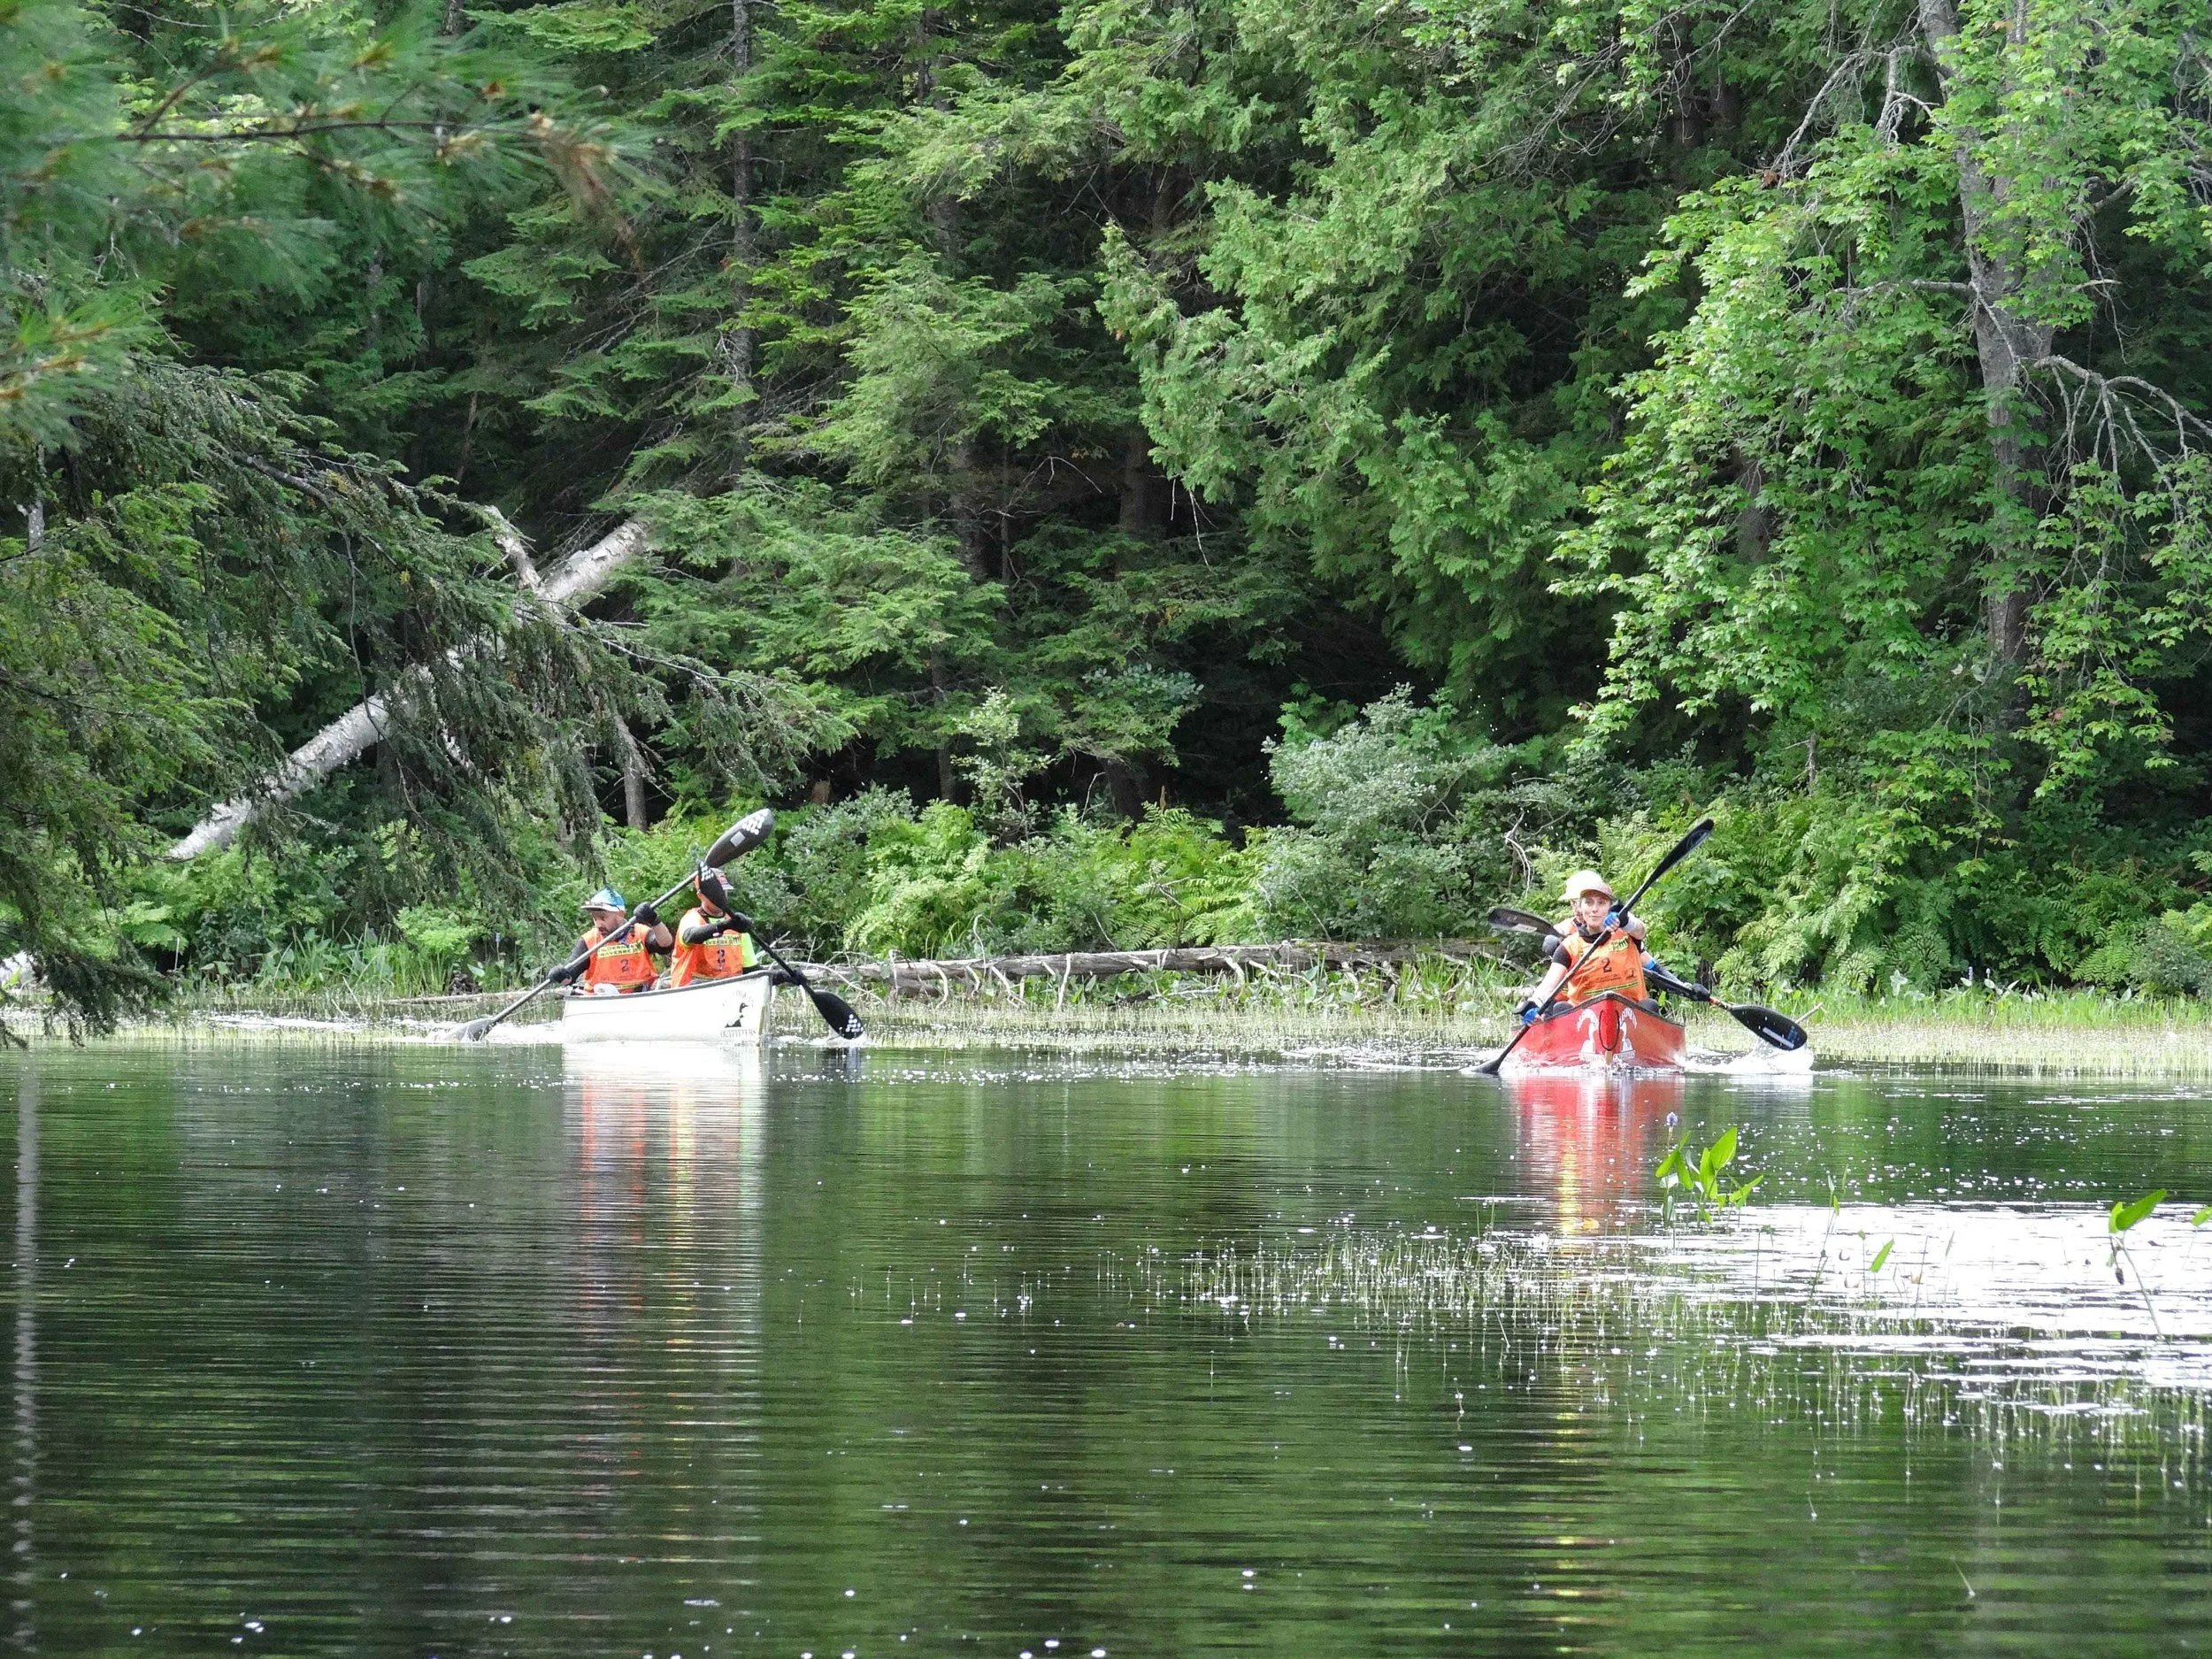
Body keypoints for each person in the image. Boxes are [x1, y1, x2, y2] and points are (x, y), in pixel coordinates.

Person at [1516, 869, 1649, 1022]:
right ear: (1581, 907)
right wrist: (1534, 1003)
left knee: (1650, 1006)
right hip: (1585, 1018)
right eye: (1589, 903)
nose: (1594, 909)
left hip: (1630, 1014)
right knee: (1561, 1008)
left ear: (1609, 907)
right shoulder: (1569, 945)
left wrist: (1625, 922)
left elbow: (1641, 931)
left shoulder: (1628, 932)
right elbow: (1549, 984)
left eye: (1601, 903)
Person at [556, 887, 672, 995]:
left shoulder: (639, 932)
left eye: (603, 917)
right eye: (594, 918)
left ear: (620, 915)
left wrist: (654, 920)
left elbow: (665, 944)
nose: (598, 924)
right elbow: (570, 976)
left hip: (641, 995)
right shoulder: (589, 940)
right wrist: (561, 975)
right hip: (601, 1001)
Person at [665, 867, 759, 987]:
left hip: (729, 994)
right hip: (692, 993)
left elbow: (751, 969)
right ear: (700, 895)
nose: (722, 896)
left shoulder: (738, 925)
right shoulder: (692, 918)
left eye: (724, 891)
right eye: (716, 893)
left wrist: (778, 976)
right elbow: (691, 935)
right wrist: (725, 926)